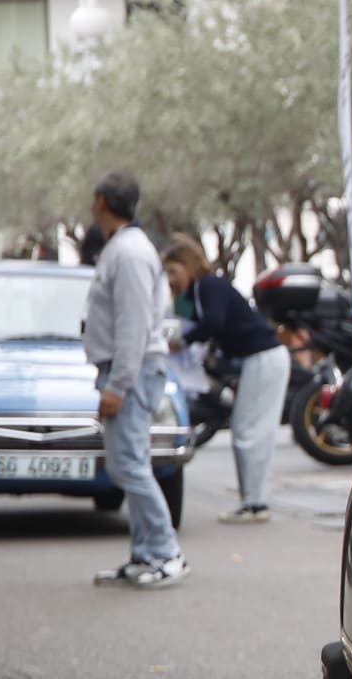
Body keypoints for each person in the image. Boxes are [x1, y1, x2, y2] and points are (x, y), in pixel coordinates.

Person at [83, 172, 186, 588]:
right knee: (130, 464)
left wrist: (117, 385)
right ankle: (145, 554)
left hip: (133, 369)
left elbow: (133, 326)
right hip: (130, 368)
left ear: (102, 202)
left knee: (129, 465)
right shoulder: (125, 249)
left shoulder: (128, 253)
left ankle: (166, 552)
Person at [162, 233, 287, 525]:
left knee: (249, 431)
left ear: (189, 265)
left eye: (173, 271)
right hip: (258, 359)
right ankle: (253, 501)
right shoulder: (196, 293)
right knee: (251, 430)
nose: (170, 278)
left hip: (263, 358)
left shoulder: (209, 286)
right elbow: (190, 318)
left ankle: (254, 503)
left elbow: (212, 323)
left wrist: (184, 341)